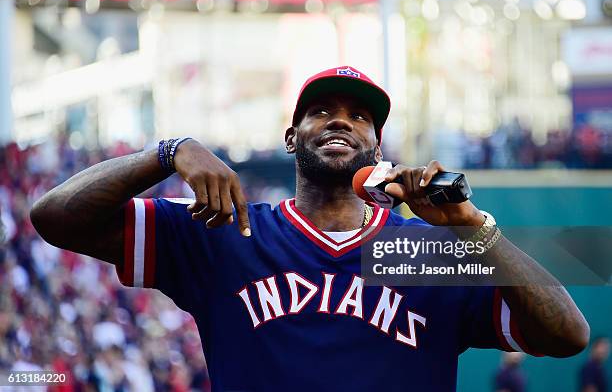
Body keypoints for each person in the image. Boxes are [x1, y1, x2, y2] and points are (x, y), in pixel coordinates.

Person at [31, 66, 590, 391]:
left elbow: (568, 337)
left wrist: (471, 226)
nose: (341, 119)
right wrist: (167, 152)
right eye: (321, 110)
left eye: (360, 114)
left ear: (376, 147)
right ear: (292, 138)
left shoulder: (427, 255)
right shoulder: (226, 229)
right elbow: (54, 217)